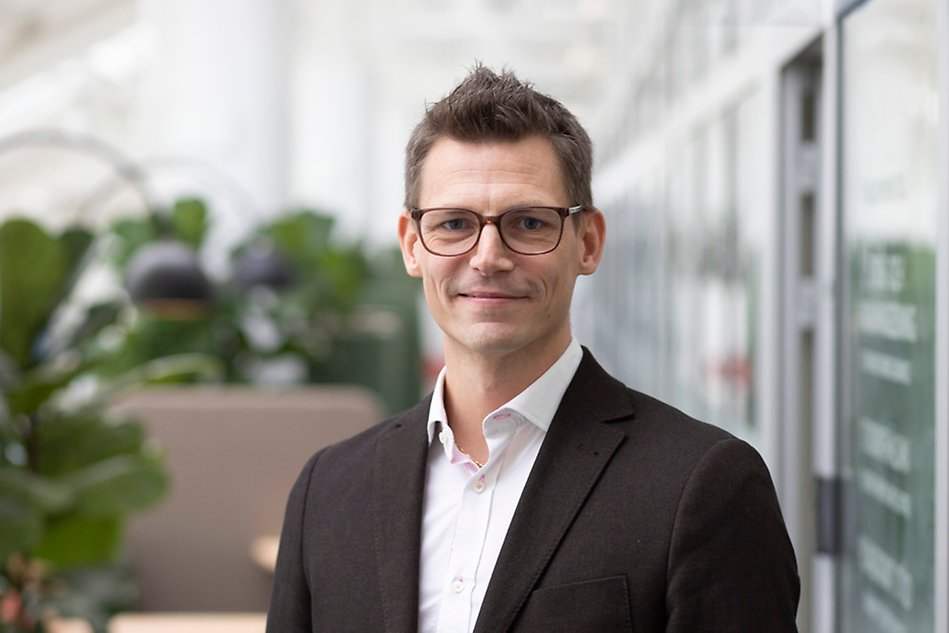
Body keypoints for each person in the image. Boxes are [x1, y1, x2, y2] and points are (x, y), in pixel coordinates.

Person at [267, 65, 799, 633]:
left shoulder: (703, 484)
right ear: (412, 245)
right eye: (452, 224)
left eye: (527, 222)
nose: (488, 256)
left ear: (588, 242)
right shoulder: (328, 489)